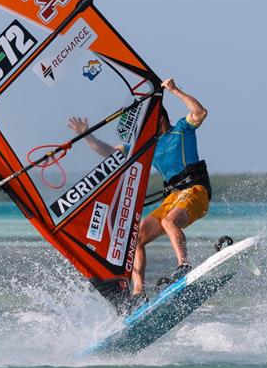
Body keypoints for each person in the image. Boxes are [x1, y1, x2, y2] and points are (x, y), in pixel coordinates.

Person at [67, 77, 211, 307]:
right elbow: (110, 154)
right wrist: (88, 136)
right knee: (135, 240)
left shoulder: (181, 130)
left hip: (194, 191)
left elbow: (200, 112)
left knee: (169, 222)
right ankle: (138, 293)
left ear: (160, 119)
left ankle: (184, 266)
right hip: (172, 198)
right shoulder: (147, 146)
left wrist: (174, 91)